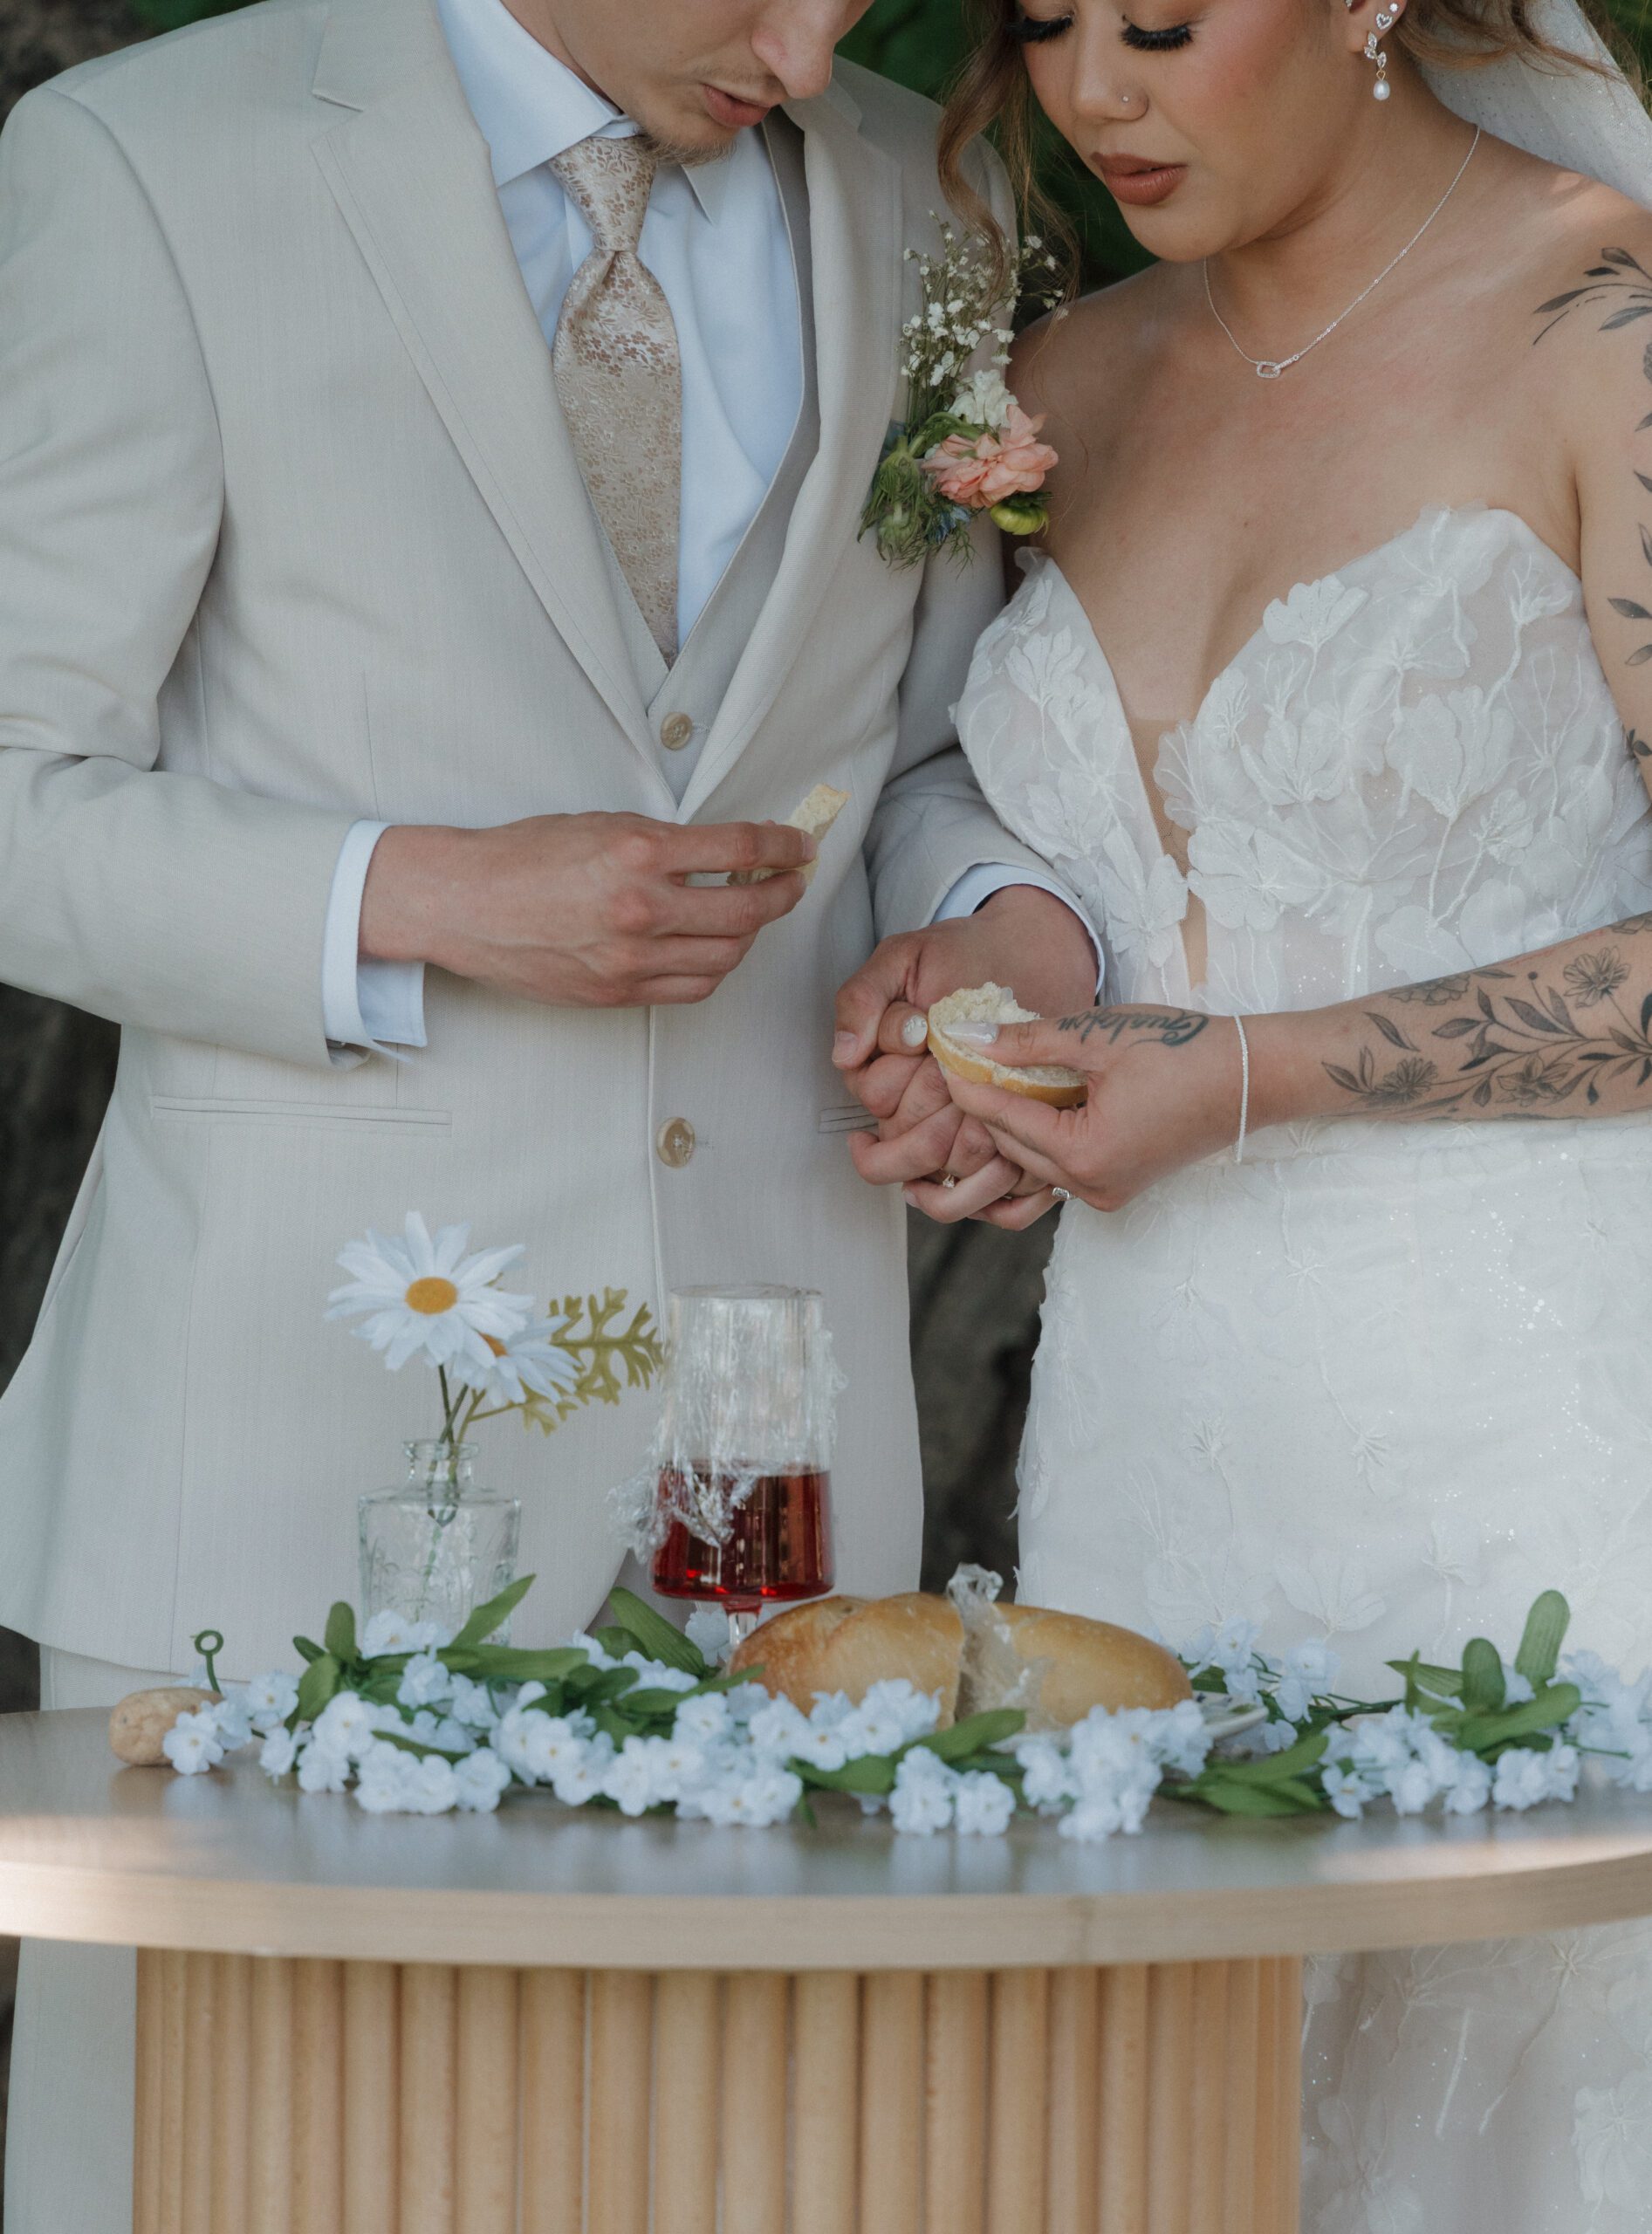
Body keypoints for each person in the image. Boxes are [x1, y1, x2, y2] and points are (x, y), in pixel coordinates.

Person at [0, 0, 1102, 2219]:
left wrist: (979, 914)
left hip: (773, 1451)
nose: (807, 61)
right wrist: (411, 895)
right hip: (293, 1448)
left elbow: (923, 745)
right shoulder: (145, 162)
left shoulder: (938, 190)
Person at [839, 0, 1652, 2222]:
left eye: (1166, 22)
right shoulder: (1059, 383)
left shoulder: (1608, 322)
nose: (1095, 91)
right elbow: (947, 797)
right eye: (1046, 25)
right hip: (1152, 1452)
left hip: (1537, 1455)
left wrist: (1254, 1076)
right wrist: (1004, 983)